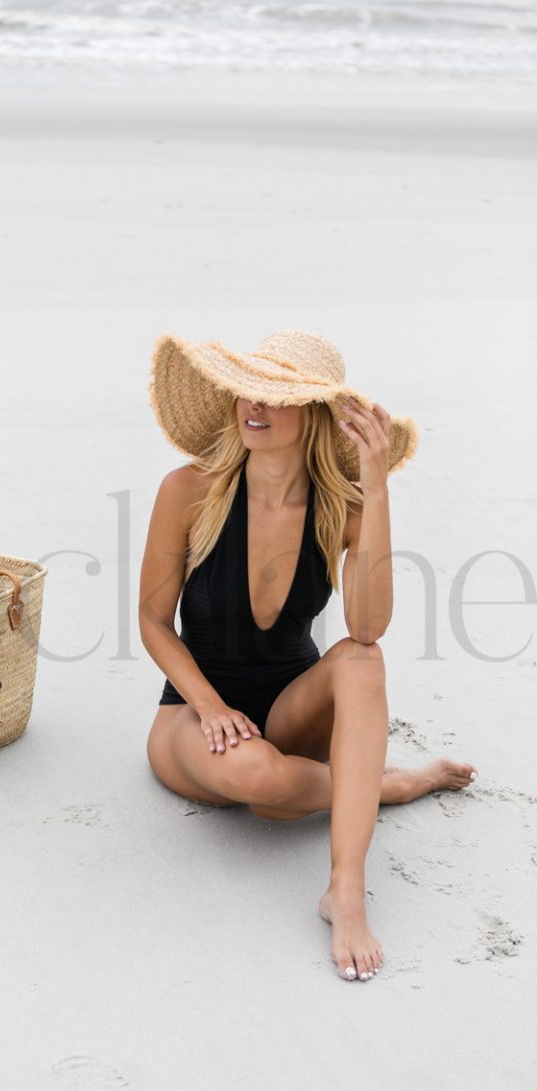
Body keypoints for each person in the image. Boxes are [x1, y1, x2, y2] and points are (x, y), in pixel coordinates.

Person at [139, 328, 477, 983]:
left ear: (317, 414)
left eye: (277, 396)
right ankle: (386, 782)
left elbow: (368, 627)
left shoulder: (339, 510)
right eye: (247, 390)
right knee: (262, 785)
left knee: (360, 660)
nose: (253, 406)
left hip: (293, 709)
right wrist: (208, 708)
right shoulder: (188, 490)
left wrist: (375, 492)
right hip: (190, 715)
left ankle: (344, 889)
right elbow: (153, 622)